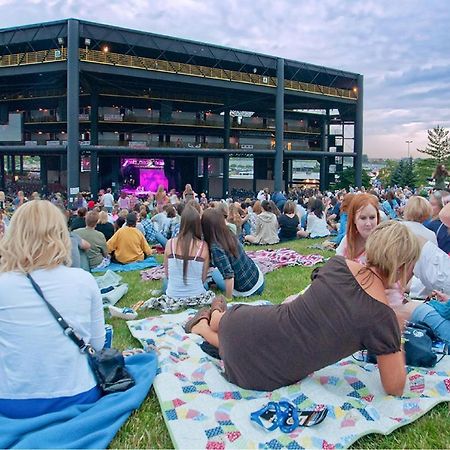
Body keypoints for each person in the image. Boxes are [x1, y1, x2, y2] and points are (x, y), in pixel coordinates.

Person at [186, 221, 417, 394]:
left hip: (250, 325)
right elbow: (395, 387)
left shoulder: (338, 265)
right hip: (263, 375)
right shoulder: (381, 316)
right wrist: (396, 338)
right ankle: (205, 326)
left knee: (233, 326)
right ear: (402, 266)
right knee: (247, 347)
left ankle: (213, 317)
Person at [0, 200, 105, 418]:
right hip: (79, 394)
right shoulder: (84, 280)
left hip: (11, 402)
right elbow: (97, 344)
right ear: (60, 234)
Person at [202, 208, 264, 298]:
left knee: (215, 273)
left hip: (247, 291)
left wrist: (229, 299)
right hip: (259, 280)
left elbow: (229, 276)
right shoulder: (228, 233)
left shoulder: (216, 247)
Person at [163, 205, 209, 298]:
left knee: (165, 281)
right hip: (197, 295)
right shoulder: (203, 246)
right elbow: (203, 279)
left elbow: (167, 274)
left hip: (173, 295)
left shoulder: (169, 243)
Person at [336, 194, 380, 263]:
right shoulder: (347, 240)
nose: (368, 223)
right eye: (363, 218)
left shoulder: (382, 244)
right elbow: (336, 265)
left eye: (372, 217)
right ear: (354, 219)